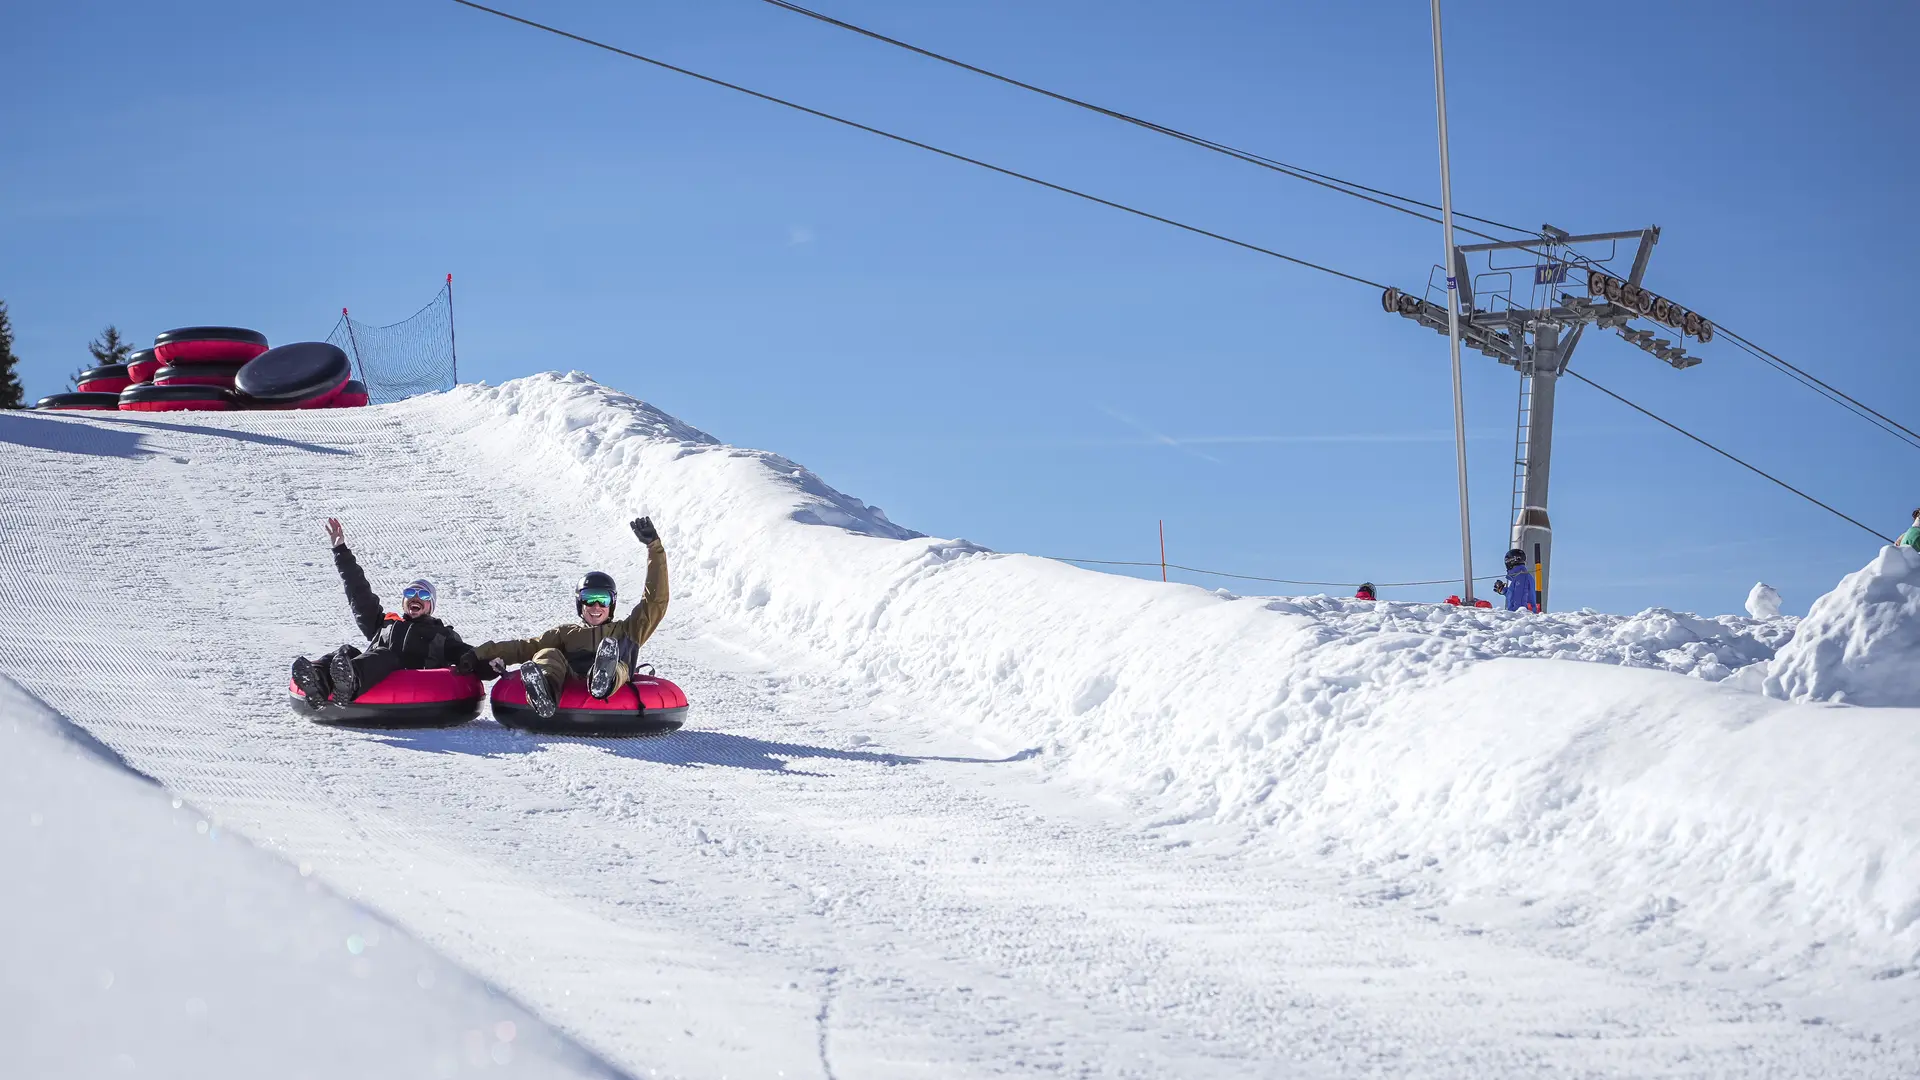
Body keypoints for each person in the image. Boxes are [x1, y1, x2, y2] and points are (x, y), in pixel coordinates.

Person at [463, 517, 668, 720]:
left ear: (611, 604)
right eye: (589, 599)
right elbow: (522, 647)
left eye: (603, 600)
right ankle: (544, 692)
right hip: (573, 677)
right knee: (546, 652)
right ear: (580, 603)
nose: (596, 606)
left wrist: (654, 548)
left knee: (617, 661)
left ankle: (604, 676)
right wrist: (478, 654)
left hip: (613, 680)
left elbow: (655, 601)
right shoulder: (567, 633)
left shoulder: (629, 630)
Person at [291, 518, 474, 703]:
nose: (416, 598)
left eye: (424, 595)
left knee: (385, 655)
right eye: (410, 593)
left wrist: (490, 661)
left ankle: (349, 683)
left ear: (431, 606)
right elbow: (359, 594)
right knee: (346, 651)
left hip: (411, 684)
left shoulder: (442, 635)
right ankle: (316, 684)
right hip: (370, 675)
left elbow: (469, 655)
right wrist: (341, 551)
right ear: (403, 602)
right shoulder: (385, 623)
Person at [1491, 547, 1540, 613]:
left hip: (1521, 617)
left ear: (1510, 561)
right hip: (1524, 616)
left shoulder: (1521, 576)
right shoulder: (1522, 576)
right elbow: (1517, 595)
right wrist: (1503, 590)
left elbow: (1520, 601)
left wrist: (1514, 616)